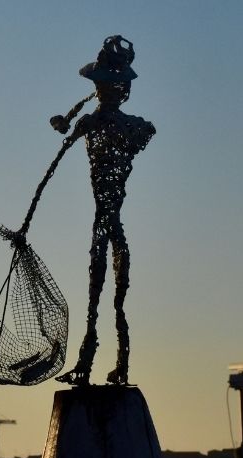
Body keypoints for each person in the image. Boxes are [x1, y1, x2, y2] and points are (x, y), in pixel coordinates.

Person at [51, 35, 156, 386]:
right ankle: (109, 364)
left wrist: (27, 222)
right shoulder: (132, 127)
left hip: (104, 223)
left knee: (104, 295)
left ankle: (94, 364)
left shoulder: (95, 125)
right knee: (113, 297)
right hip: (113, 224)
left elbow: (48, 174)